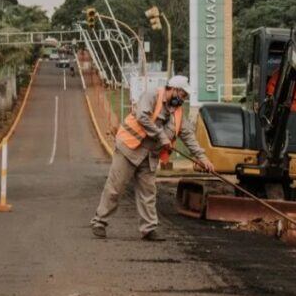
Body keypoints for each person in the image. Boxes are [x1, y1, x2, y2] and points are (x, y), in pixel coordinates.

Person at [91, 76, 215, 240]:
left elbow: (188, 137)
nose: (184, 99)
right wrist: (162, 136)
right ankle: (99, 222)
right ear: (173, 89)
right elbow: (143, 117)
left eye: (185, 96)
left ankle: (148, 229)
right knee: (115, 188)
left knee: (148, 193)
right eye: (183, 95)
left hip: (149, 157)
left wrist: (203, 158)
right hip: (129, 149)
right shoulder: (152, 95)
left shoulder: (178, 113)